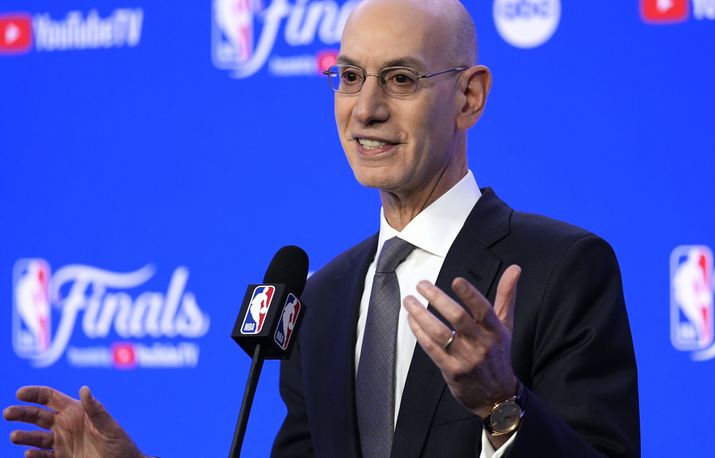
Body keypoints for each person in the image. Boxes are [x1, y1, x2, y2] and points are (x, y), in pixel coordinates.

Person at [4, 0, 640, 456]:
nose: (366, 108)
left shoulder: (562, 267)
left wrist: (501, 407)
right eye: (350, 76)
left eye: (400, 78)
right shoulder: (322, 299)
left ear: (469, 97)